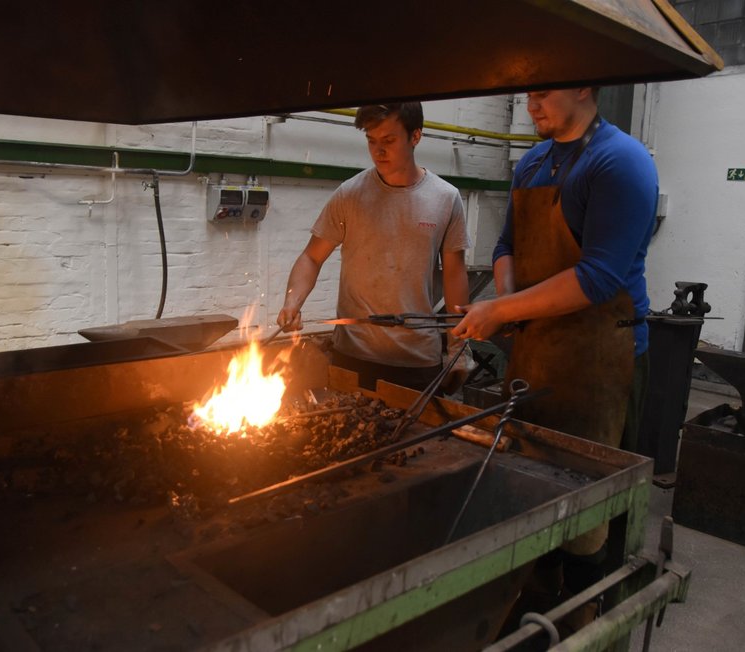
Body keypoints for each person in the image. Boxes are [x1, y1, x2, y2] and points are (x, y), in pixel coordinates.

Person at [451, 87, 658, 634]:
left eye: (544, 93)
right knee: (530, 485)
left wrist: (502, 309)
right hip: (538, 348)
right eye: (527, 95)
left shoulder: (620, 162)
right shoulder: (534, 163)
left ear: (585, 87)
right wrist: (509, 306)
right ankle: (533, 603)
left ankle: (588, 617)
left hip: (601, 359)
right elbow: (505, 247)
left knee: (590, 507)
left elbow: (599, 276)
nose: (531, 105)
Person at [277, 102, 471, 391]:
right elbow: (311, 257)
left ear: (415, 136)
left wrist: (459, 346)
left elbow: (455, 272)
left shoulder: (445, 198)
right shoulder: (350, 195)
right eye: (371, 140)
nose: (378, 151)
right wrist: (292, 302)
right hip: (353, 357)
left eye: (389, 141)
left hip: (416, 360)